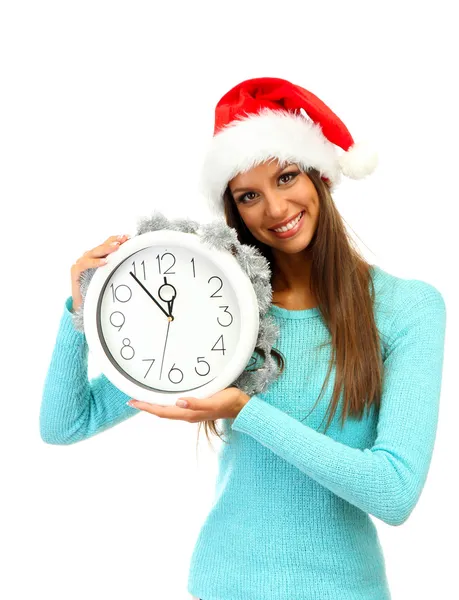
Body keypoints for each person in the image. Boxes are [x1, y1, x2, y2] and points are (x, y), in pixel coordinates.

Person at [40, 77, 447, 600]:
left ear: (320, 176)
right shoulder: (223, 310)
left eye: (287, 177)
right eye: (248, 195)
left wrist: (245, 409)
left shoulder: (406, 309)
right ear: (233, 209)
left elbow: (394, 491)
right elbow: (65, 423)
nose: (275, 210)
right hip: (221, 586)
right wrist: (80, 308)